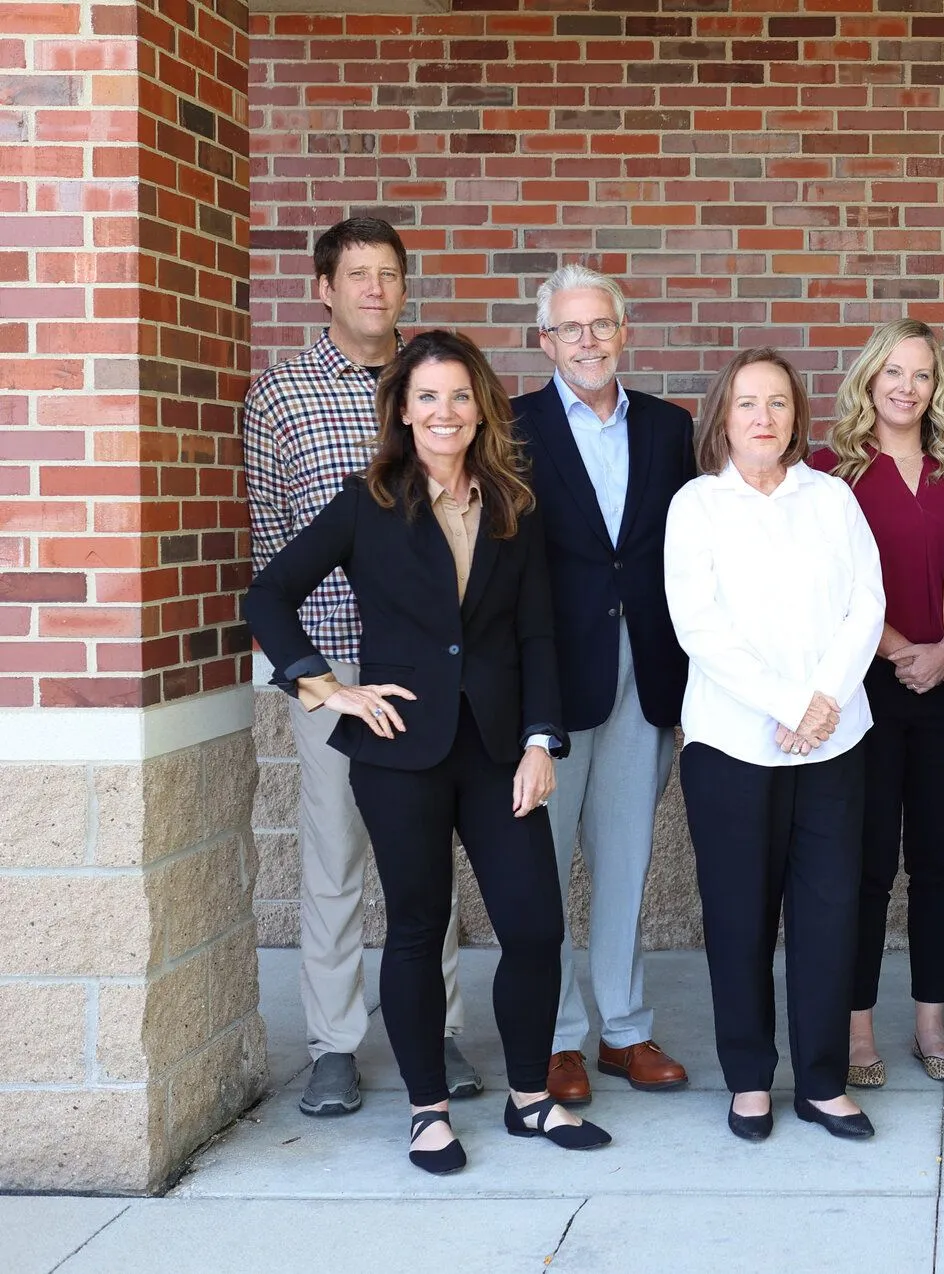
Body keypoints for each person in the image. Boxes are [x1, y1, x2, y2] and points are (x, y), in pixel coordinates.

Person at [245, 330, 609, 1174]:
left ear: (479, 406)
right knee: (415, 926)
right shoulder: (366, 500)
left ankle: (528, 1100)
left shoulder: (513, 503)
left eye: (458, 396)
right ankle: (428, 1112)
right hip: (398, 748)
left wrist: (540, 740)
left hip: (496, 750)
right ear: (402, 412)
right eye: (426, 398)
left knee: (534, 926)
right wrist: (325, 686)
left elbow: (537, 633)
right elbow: (268, 593)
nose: (444, 412)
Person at [242, 218, 477, 1119]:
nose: (376, 289)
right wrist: (309, 672)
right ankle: (335, 1042)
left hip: (426, 664)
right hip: (334, 664)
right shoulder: (283, 394)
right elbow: (271, 536)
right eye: (358, 275)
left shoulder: (435, 384)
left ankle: (441, 1028)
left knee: (428, 860)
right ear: (324, 288)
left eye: (390, 274)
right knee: (335, 851)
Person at [664, 348, 886, 1143]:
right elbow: (701, 628)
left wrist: (820, 705)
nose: (764, 418)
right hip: (730, 745)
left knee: (828, 914)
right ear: (724, 415)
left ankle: (823, 1082)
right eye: (748, 403)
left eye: (779, 404)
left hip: (833, 744)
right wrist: (791, 702)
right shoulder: (696, 506)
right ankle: (750, 1080)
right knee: (738, 918)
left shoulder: (830, 499)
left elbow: (867, 604)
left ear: (798, 416)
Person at [512, 265, 696, 1105]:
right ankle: (554, 1041)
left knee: (626, 857)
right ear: (543, 340)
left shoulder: (668, 427)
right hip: (547, 672)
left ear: (624, 332)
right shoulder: (509, 429)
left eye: (601, 326)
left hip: (645, 669)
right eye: (569, 329)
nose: (586, 341)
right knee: (540, 866)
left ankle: (623, 1030)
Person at [812, 320, 944, 1089]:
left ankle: (929, 1019)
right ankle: (856, 1030)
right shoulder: (828, 472)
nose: (905, 387)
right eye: (891, 372)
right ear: (866, 380)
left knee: (941, 860)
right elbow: (827, 587)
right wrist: (896, 652)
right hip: (865, 690)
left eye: (920, 375)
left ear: (935, 388)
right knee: (864, 863)